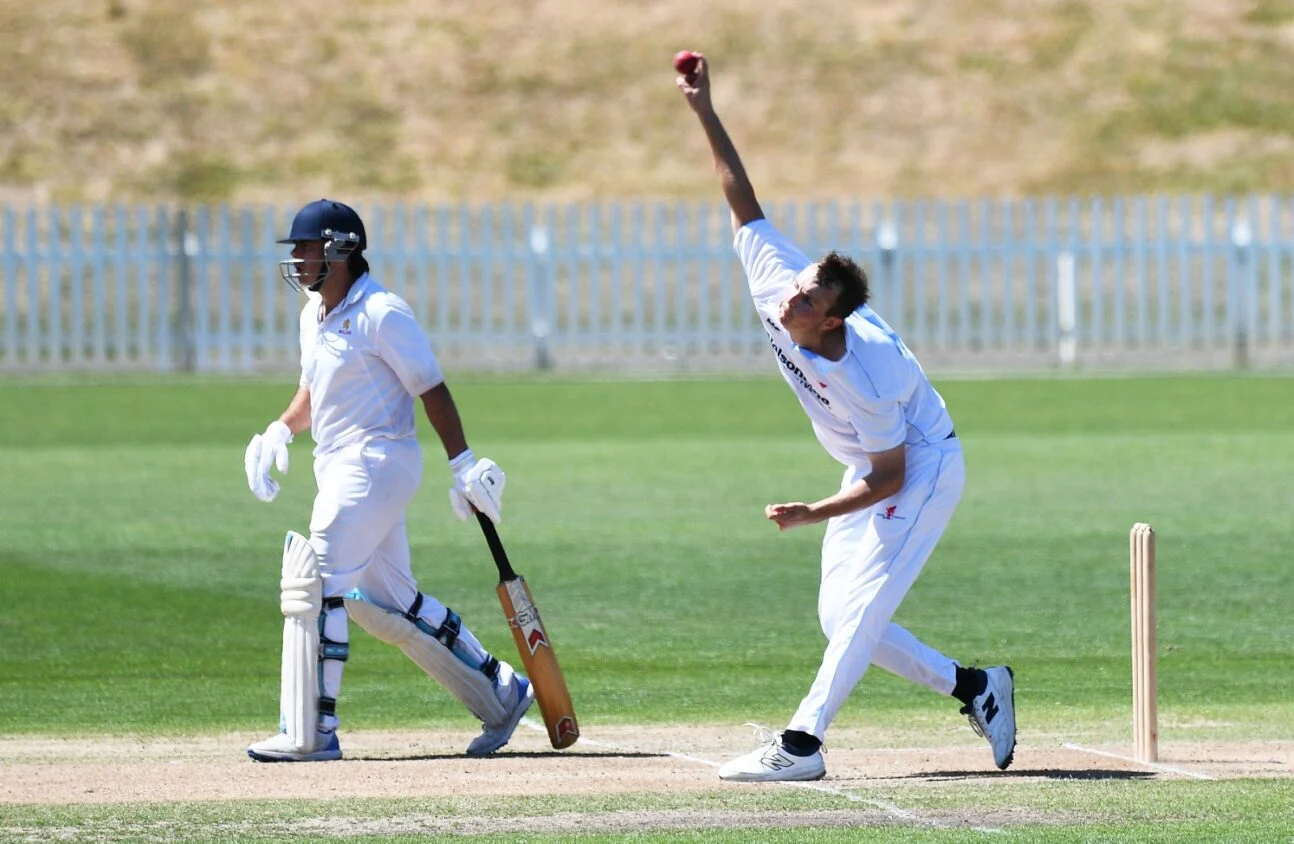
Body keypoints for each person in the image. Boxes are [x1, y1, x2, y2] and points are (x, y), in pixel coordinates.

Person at [675, 56, 1016, 782]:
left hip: (918, 465)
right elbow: (744, 201)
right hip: (867, 463)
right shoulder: (780, 283)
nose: (787, 303)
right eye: (796, 289)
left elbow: (891, 477)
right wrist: (705, 111)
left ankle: (801, 743)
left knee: (859, 608)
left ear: (831, 323)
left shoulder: (870, 373)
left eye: (804, 302)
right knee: (844, 622)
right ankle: (978, 687)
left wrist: (811, 512)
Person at [242, 198, 534, 762]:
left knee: (317, 576)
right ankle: (502, 691)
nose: (298, 257)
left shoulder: (381, 311)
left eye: (306, 246)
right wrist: (279, 430)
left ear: (340, 249)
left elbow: (431, 388)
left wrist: (464, 465)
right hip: (337, 464)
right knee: (385, 602)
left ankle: (311, 731)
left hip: (378, 460)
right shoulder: (314, 312)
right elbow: (314, 389)